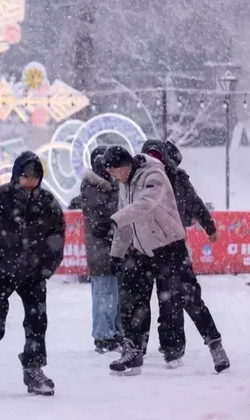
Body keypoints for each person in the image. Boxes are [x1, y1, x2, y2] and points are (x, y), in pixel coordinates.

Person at [0, 151, 65, 396]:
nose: (30, 181)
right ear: (16, 175)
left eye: (35, 177)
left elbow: (57, 239)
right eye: (25, 176)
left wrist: (44, 270)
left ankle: (33, 369)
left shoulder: (48, 203)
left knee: (37, 322)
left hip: (33, 275)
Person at [96, 146, 190, 375]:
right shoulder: (124, 183)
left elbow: (144, 205)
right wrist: (116, 254)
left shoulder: (154, 175)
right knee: (133, 299)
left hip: (168, 246)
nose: (112, 176)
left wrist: (112, 221)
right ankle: (133, 351)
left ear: (126, 166)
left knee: (170, 302)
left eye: (114, 171)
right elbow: (126, 218)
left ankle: (173, 349)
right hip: (142, 248)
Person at [139, 141, 229, 372]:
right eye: (150, 157)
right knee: (167, 301)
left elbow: (196, 204)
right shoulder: (142, 182)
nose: (155, 162)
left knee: (191, 298)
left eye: (158, 157)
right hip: (155, 249)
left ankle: (214, 343)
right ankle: (172, 349)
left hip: (176, 247)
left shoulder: (178, 179)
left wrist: (209, 227)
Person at [79, 146, 122, 353]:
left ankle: (115, 332)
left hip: (115, 250)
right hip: (103, 251)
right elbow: (101, 222)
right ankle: (104, 336)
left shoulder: (113, 187)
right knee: (105, 294)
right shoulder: (93, 189)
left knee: (116, 294)